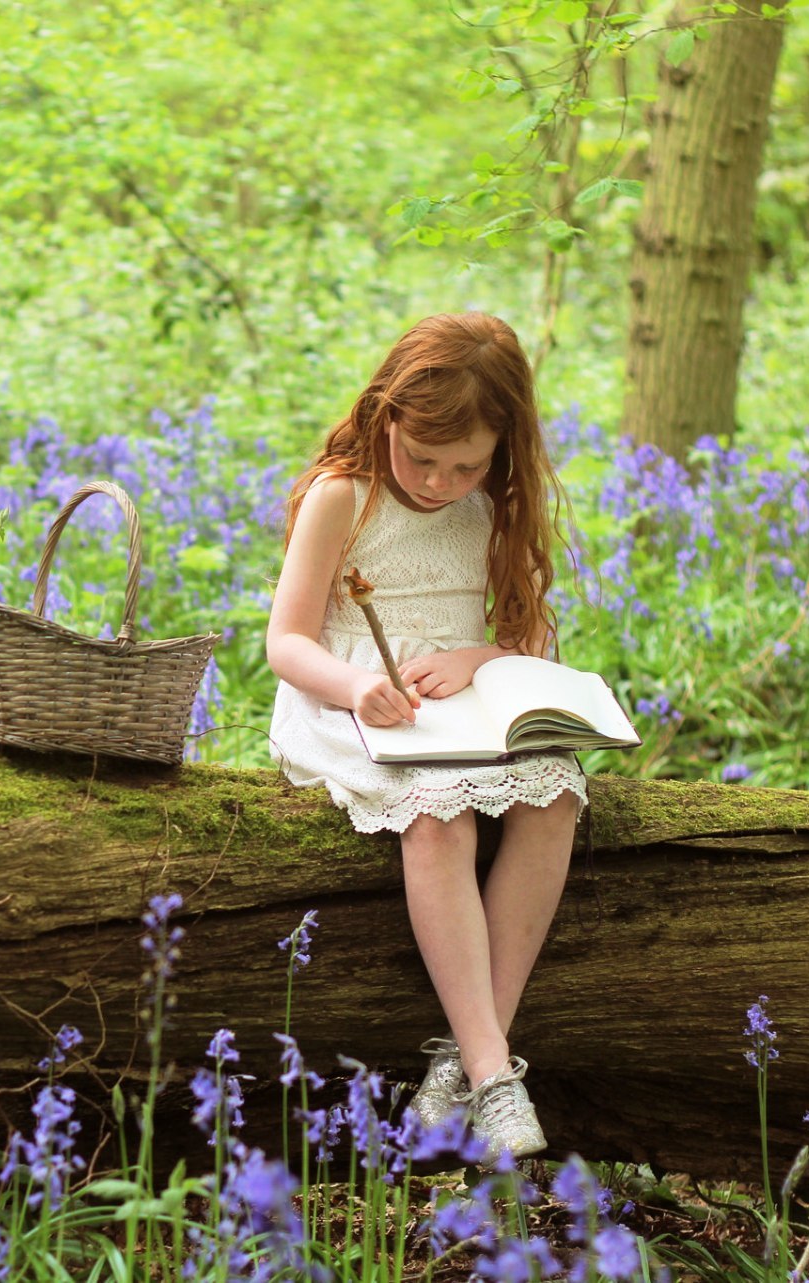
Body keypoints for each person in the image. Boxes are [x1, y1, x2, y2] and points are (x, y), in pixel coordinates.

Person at [265, 312, 583, 1160]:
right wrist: (357, 685)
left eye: (467, 465)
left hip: (463, 699)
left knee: (553, 800)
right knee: (441, 815)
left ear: (501, 449)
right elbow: (286, 642)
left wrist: (478, 655)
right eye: (423, 458)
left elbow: (524, 639)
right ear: (385, 414)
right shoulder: (344, 494)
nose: (442, 481)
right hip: (353, 703)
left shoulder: (496, 504)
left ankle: (470, 1054)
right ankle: (492, 1072)